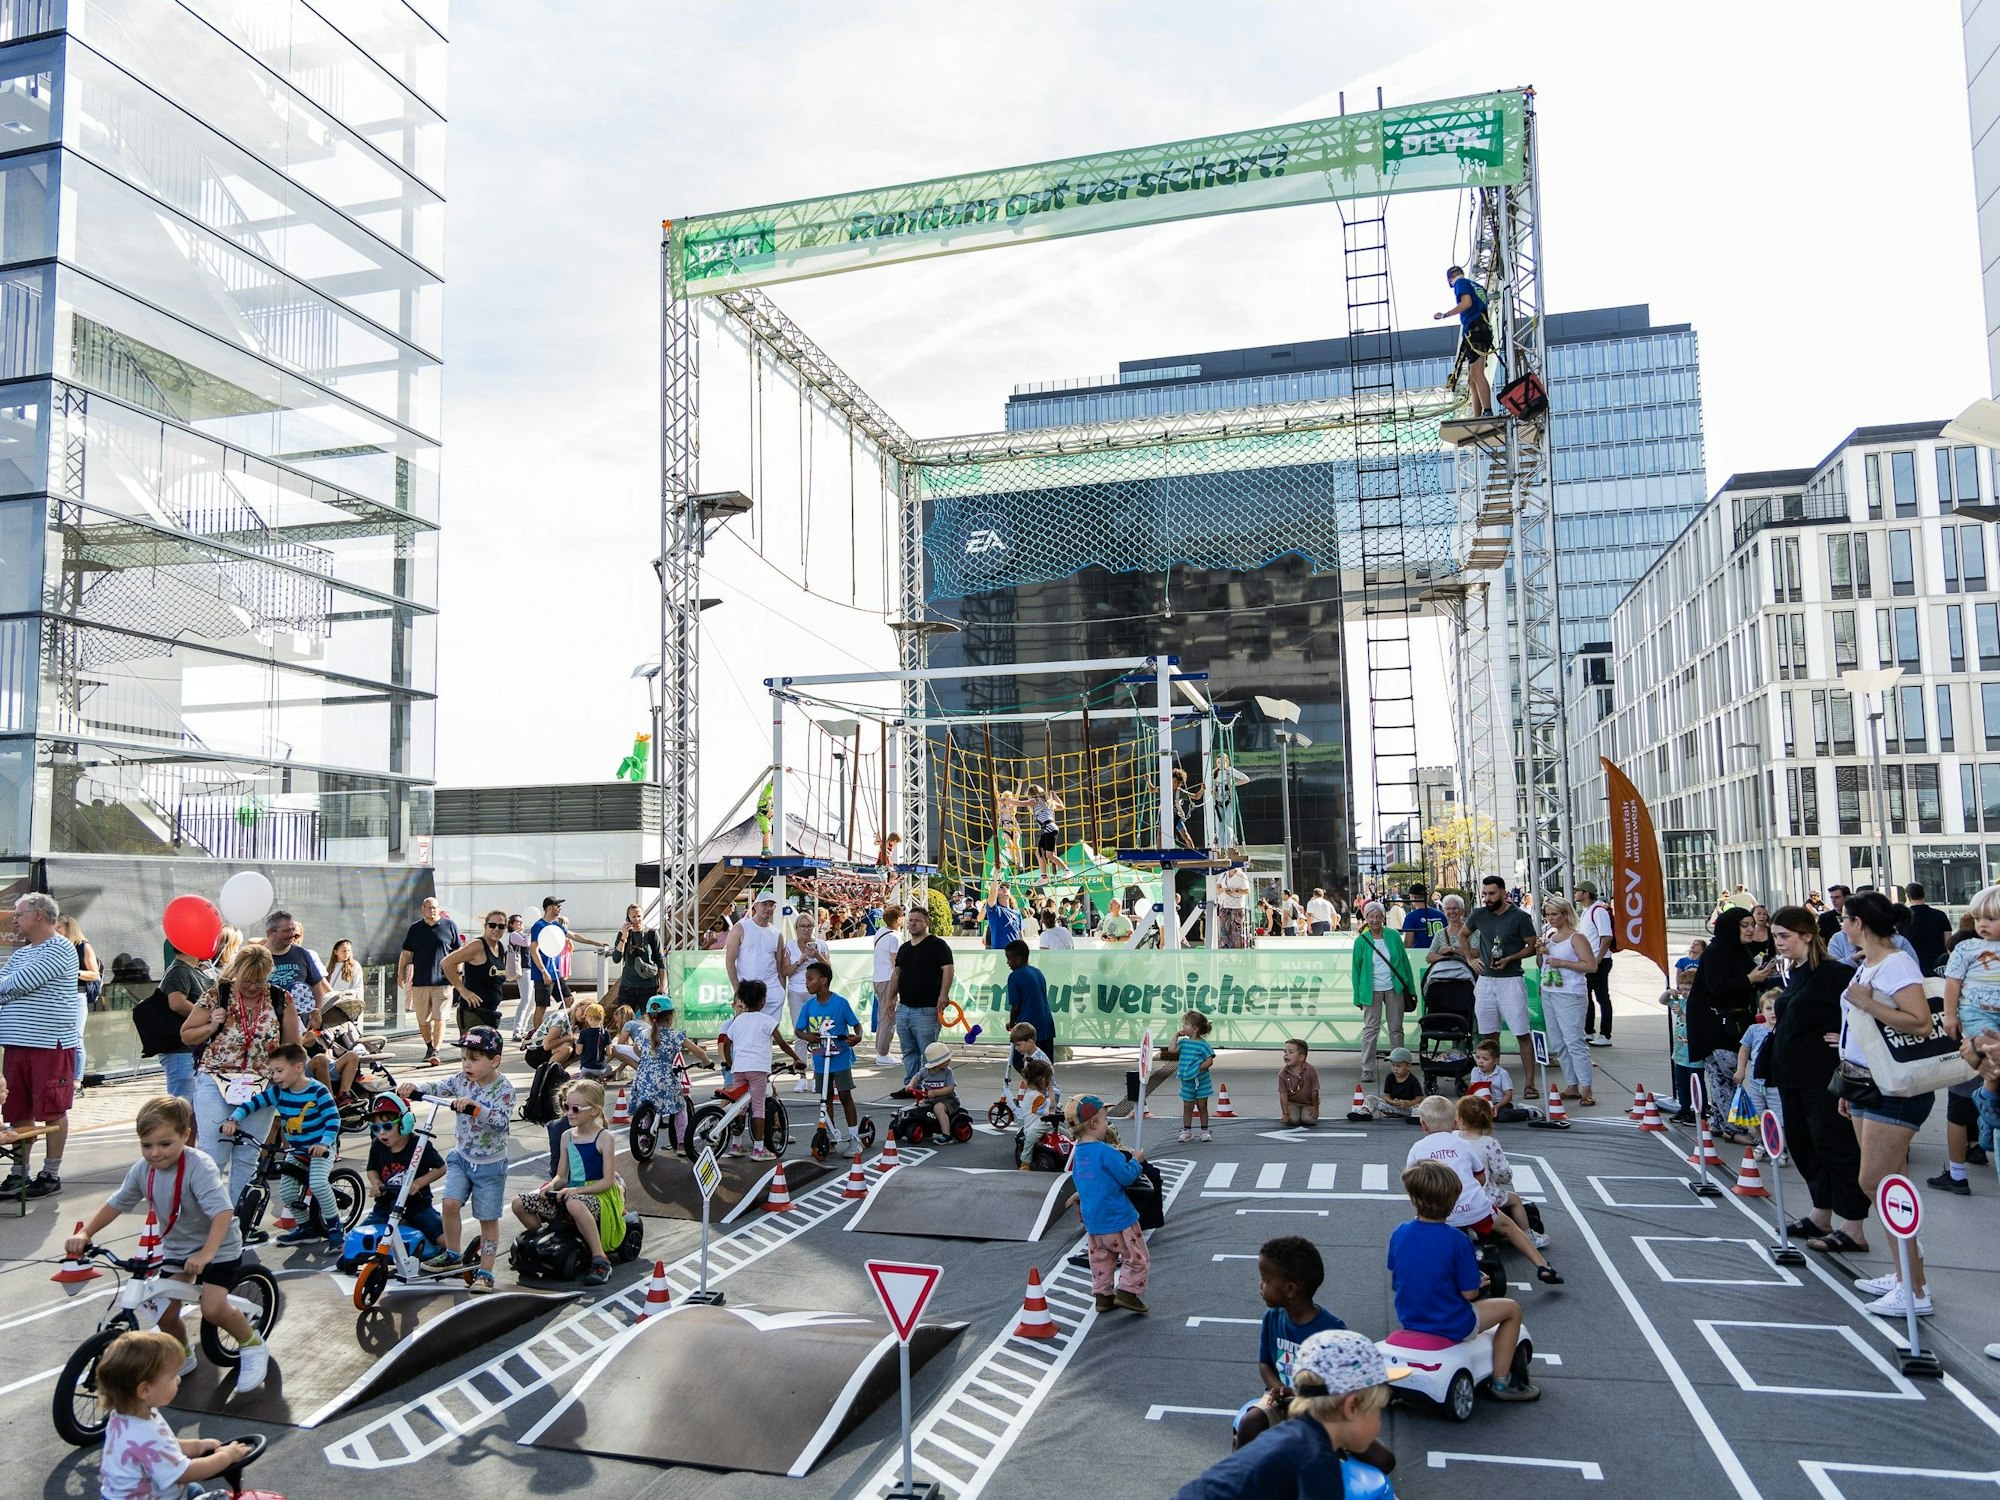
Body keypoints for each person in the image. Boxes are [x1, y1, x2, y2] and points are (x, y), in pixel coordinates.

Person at [68, 1094, 269, 1393]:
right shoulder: (142, 1170)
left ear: (185, 1135)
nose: (155, 1153)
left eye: (165, 1144)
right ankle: (182, 1354)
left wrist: (207, 1253)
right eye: (146, 1145)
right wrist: (86, 1233)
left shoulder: (197, 1166)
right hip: (177, 1248)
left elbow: (223, 1212)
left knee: (213, 1308)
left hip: (218, 1246)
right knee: (162, 1311)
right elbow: (117, 1203)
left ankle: (251, 1344)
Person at [1832, 891, 1942, 1315]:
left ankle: (1914, 1291)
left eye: (1844, 918)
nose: (1840, 924)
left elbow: (1919, 1022)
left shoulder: (1895, 963)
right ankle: (1907, 1278)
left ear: (1860, 923)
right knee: (1890, 1182)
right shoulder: (1871, 962)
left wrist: (1869, 1003)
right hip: (1864, 1082)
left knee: (1875, 1182)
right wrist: (1846, 1086)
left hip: (1894, 1087)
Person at [1179, 1329, 1404, 1499]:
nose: (1379, 1425)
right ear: (1351, 1407)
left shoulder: (1295, 1439)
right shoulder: (1315, 1464)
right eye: (1377, 1411)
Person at [1389, 1158, 1537, 1400]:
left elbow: (1398, 1276)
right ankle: (1502, 1382)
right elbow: (1469, 1294)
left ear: (1412, 1198)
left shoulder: (1399, 1233)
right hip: (1451, 1323)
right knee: (1511, 1310)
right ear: (1454, 1200)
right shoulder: (1458, 1241)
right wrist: (1475, 1281)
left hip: (1411, 1317)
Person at [179, 943, 301, 1213]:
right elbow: (186, 1034)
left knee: (247, 1155)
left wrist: (289, 1074)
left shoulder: (282, 999)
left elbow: (294, 1046)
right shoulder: (218, 994)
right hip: (216, 1078)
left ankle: (235, 1221)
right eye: (247, 980)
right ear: (237, 973)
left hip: (261, 1085)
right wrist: (212, 1023)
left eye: (259, 981)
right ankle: (206, 1216)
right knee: (215, 1152)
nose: (252, 987)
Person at [399, 1025, 515, 1294]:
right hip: (462, 1158)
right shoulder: (462, 1081)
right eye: (464, 1058)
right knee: (450, 1204)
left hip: (490, 1165)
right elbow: (439, 1087)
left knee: (487, 1218)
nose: (466, 1064)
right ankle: (452, 1253)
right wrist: (415, 1087)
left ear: (494, 1061)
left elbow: (500, 1123)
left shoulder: (504, 1089)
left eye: (473, 1059)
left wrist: (477, 1109)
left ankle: (485, 1271)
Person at [1405, 1095, 1560, 1281]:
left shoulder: (1417, 1148)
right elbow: (1480, 1176)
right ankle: (1542, 1265)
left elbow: (1412, 1181)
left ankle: (1430, 1270)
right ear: (1454, 1122)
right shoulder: (1463, 1144)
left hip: (1441, 1214)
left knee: (1421, 1236)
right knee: (1509, 1227)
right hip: (1475, 1207)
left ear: (1423, 1125)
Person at [94, 1328, 256, 1497]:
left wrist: (198, 1446)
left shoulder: (126, 1416)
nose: (178, 1379)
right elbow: (185, 1473)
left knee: (195, 1490)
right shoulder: (144, 1434)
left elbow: (165, 1445)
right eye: (172, 1376)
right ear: (145, 1390)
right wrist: (226, 1457)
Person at [1231, 1236, 1349, 1449]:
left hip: (1318, 1408)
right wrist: (1279, 1388)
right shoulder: (1272, 1317)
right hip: (1280, 1400)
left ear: (1291, 1290)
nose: (1261, 1284)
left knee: (1381, 1458)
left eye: (1266, 1280)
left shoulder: (1332, 1331)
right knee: (1250, 1424)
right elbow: (1265, 1364)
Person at [221, 1042, 343, 1248]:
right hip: (295, 1150)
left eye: (279, 1071)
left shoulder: (318, 1091)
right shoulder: (278, 1092)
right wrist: (233, 1119)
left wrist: (324, 1144)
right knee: (286, 1193)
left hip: (320, 1149)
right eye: (273, 1072)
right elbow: (253, 1103)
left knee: (319, 1184)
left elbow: (334, 1120)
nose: (275, 1077)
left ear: (297, 1068)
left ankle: (335, 1227)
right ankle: (307, 1229)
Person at [0, 891, 81, 1196]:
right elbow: (6, 983)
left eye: (19, 914)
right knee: (18, 1106)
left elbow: (19, 983)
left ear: (38, 915)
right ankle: (19, 1172)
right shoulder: (22, 953)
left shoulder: (60, 948)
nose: (15, 920)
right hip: (16, 1042)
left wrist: (7, 989)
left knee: (52, 1107)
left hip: (49, 1043)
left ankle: (51, 1173)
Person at [512, 1079, 625, 1285]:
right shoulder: (567, 1136)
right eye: (566, 1107)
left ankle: (600, 1259)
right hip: (572, 1191)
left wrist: (576, 1190)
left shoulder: (604, 1137)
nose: (569, 1113)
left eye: (575, 1108)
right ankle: (541, 1243)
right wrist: (551, 1187)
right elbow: (561, 1176)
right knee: (519, 1203)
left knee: (574, 1203)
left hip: (599, 1195)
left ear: (594, 1111)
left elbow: (608, 1182)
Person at [1070, 1095, 1148, 1313]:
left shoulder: (1080, 1154)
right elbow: (1126, 1177)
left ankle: (1103, 1297)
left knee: (1101, 1260)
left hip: (1094, 1222)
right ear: (1094, 1124)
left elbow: (1081, 1180)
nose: (1108, 1124)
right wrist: (1136, 1160)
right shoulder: (1106, 1152)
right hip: (1119, 1218)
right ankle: (1128, 1291)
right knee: (1136, 1256)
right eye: (1105, 1119)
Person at [1465, 875, 1542, 1098]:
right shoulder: (1479, 914)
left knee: (1521, 1032)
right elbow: (1463, 934)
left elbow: (1532, 946)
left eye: (1491, 894)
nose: (1487, 898)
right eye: (1484, 894)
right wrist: (1470, 957)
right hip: (1486, 981)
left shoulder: (1519, 916)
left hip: (1511, 980)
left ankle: (1529, 1084)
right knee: (1489, 1035)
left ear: (1503, 893)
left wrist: (1510, 958)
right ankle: (1490, 1083)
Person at [1688, 908, 1761, 1138]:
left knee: (1720, 1075)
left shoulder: (1738, 950)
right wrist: (1750, 979)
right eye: (1744, 925)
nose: (1751, 929)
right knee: (1730, 1072)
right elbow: (1717, 989)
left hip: (1732, 1021)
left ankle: (1721, 1123)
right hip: (1714, 1023)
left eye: (1752, 924)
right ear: (1731, 927)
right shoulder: (1717, 952)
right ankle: (1734, 1127)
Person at [614, 995, 710, 1152]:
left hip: (644, 1076)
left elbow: (636, 1050)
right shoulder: (674, 1035)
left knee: (647, 1104)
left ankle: (644, 1138)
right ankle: (681, 1143)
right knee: (680, 1105)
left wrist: (648, 1058)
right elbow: (698, 1051)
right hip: (664, 1076)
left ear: (650, 1016)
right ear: (671, 1016)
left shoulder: (643, 1034)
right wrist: (707, 1062)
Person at [718, 980, 802, 1159]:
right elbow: (782, 1044)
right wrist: (796, 1059)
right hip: (757, 1070)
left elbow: (726, 1044)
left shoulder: (738, 1021)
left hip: (739, 1069)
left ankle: (737, 1144)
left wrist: (731, 1063)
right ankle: (758, 1148)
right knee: (758, 1107)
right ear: (763, 1001)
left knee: (739, 1105)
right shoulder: (767, 1021)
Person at [794, 960, 865, 1158]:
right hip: (819, 1058)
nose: (806, 983)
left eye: (810, 979)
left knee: (844, 1096)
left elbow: (856, 1025)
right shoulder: (809, 1006)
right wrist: (808, 1036)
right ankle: (830, 1137)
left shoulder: (840, 1003)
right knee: (824, 1099)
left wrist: (857, 1036)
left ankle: (854, 1138)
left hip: (839, 1058)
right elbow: (798, 1030)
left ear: (823, 981)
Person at [1455, 1093, 1544, 1246]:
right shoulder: (1489, 1143)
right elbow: (1502, 1174)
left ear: (1460, 1119)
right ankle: (1528, 1236)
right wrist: (1503, 1177)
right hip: (1483, 1193)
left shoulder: (1453, 1137)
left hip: (1456, 1192)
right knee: (1515, 1199)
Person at [1537, 895, 1600, 1108]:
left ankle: (1586, 1088)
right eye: (1548, 914)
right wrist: (1541, 951)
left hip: (1571, 993)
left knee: (1574, 1041)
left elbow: (1591, 966)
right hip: (1549, 991)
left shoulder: (1577, 938)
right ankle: (1572, 1084)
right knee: (1558, 1041)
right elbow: (1542, 964)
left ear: (1565, 914)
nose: (1550, 918)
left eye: (1554, 914)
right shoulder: (1551, 937)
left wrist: (1562, 962)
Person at [883, 906, 954, 1094]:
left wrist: (943, 994)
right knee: (909, 1052)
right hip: (905, 1008)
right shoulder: (905, 948)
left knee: (929, 1052)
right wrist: (891, 998)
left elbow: (948, 969)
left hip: (927, 1009)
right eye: (910, 920)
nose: (913, 923)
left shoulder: (937, 945)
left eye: (917, 920)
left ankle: (933, 1087)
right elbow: (897, 973)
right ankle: (912, 1086)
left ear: (926, 923)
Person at [364, 1094, 446, 1251]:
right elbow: (372, 1169)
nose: (381, 1133)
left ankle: (444, 1254)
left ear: (404, 1124)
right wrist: (376, 1182)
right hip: (385, 1207)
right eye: (375, 1128)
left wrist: (418, 1183)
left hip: (417, 1207)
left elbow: (441, 1167)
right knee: (352, 1242)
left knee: (446, 1240)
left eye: (387, 1126)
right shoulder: (377, 1145)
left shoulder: (419, 1145)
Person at [1350, 902, 1416, 1084]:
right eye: (1371, 916)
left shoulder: (1393, 936)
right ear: (1366, 918)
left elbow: (1404, 962)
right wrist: (1357, 996)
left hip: (1394, 988)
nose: (1375, 920)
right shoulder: (1361, 941)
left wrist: (1411, 988)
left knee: (1396, 1029)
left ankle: (1399, 1066)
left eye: (1378, 916)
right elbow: (1356, 970)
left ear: (1383, 918)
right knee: (1370, 1030)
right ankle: (1368, 1069)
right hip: (1371, 991)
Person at [396, 896, 460, 1069]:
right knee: (423, 1020)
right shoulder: (415, 929)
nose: (432, 910)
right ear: (423, 909)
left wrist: (459, 972)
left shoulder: (449, 926)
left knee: (440, 1017)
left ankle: (436, 1051)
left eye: (435, 907)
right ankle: (429, 1046)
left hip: (444, 981)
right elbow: (406, 953)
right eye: (429, 907)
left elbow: (458, 951)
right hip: (421, 981)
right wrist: (400, 972)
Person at [154, 941, 214, 1112]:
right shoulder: (179, 970)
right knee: (182, 1107)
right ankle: (181, 1139)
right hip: (180, 1050)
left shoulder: (188, 970)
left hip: (190, 1050)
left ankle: (188, 1139)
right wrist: (206, 1016)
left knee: (193, 1106)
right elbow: (177, 1003)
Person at [1435, 264, 1494, 416]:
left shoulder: (1461, 283)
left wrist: (1445, 315)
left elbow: (1466, 303)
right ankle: (1478, 414)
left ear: (1450, 279)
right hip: (1482, 330)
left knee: (1476, 373)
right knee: (1471, 379)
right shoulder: (1478, 286)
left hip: (1475, 330)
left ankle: (1486, 411)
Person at [722, 891, 784, 1036]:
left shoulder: (777, 934)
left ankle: (765, 1060)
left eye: (771, 905)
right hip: (748, 992)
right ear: (756, 906)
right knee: (745, 1034)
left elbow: (779, 966)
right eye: (765, 904)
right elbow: (730, 960)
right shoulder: (740, 928)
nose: (768, 908)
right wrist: (737, 988)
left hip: (773, 990)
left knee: (769, 1034)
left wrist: (782, 990)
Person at [441, 910, 510, 1040]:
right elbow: (446, 963)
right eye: (492, 925)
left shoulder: (500, 947)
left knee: (486, 1057)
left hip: (491, 1012)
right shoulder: (477, 945)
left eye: (501, 926)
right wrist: (462, 990)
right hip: (473, 1013)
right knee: (474, 1056)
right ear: (485, 926)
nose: (496, 929)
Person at [780, 913, 830, 1085]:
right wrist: (800, 962)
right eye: (802, 926)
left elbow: (828, 969)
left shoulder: (821, 945)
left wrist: (817, 956)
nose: (806, 929)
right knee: (800, 1033)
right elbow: (785, 971)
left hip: (816, 994)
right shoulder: (790, 946)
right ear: (796, 929)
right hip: (796, 992)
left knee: (817, 1034)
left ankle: (818, 1075)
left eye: (809, 926)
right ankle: (802, 1075)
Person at [57, 914, 98, 1087]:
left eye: (58, 927)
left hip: (77, 996)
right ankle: (63, 1078)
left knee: (76, 1037)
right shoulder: (56, 946)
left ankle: (76, 1082)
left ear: (68, 927)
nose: (56, 930)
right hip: (59, 996)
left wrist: (74, 973)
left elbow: (94, 973)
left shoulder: (83, 946)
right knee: (59, 1037)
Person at [1573, 881, 1616, 1046]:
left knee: (1602, 997)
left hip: (1600, 961)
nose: (1575, 892)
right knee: (1587, 996)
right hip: (1590, 960)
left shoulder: (1598, 911)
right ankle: (1589, 1031)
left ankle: (1605, 1034)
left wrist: (1597, 959)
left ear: (1586, 893)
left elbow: (1607, 937)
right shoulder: (1587, 911)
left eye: (1577, 890)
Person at [1165, 1010, 1216, 1142]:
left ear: (1195, 1029)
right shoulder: (1184, 1043)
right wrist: (1176, 1036)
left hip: (1201, 1081)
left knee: (1202, 1106)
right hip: (1187, 1081)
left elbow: (1209, 1060)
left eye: (1186, 1024)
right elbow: (1171, 1050)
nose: (1183, 1027)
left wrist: (1197, 1069)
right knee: (1187, 1106)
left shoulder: (1203, 1045)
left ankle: (1204, 1130)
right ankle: (1187, 1130)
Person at [609, 903, 666, 1018]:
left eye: (639, 916)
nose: (637, 919)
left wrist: (663, 985)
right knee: (624, 1020)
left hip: (649, 986)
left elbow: (660, 961)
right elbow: (616, 958)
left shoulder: (652, 934)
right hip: (628, 985)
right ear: (628, 918)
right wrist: (623, 937)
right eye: (633, 917)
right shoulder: (623, 935)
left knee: (650, 1021)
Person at [1003, 940, 1055, 1059]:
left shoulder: (1015, 976)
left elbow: (1015, 1006)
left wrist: (1012, 1024)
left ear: (1019, 959)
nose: (1007, 962)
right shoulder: (1038, 972)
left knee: (1018, 1061)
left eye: (1009, 958)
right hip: (1046, 1024)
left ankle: (1031, 1079)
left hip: (1029, 1027)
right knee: (1044, 1064)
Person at [870, 903, 904, 1065]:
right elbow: (896, 963)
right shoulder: (894, 937)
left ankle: (881, 1050)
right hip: (888, 979)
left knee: (883, 1015)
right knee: (888, 1017)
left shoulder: (880, 933)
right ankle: (883, 1053)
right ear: (898, 919)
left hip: (878, 978)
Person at [912, 1040, 962, 1141]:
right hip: (930, 1099)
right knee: (917, 1108)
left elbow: (950, 1088)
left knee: (938, 1108)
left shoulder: (947, 1072)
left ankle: (946, 1135)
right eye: (947, 1059)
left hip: (948, 1100)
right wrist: (910, 1085)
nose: (949, 1060)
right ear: (938, 1063)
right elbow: (916, 1078)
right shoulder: (925, 1071)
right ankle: (925, 1128)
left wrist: (935, 1093)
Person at [1900, 881, 1951, 977]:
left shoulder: (1903, 918)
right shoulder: (1940, 915)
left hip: (1913, 964)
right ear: (1924, 895)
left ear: (1908, 897)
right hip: (1938, 964)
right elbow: (1948, 941)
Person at [1368, 1047, 1425, 1122]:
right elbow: (1386, 1096)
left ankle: (1415, 1117)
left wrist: (1408, 1103)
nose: (1395, 1069)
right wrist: (1392, 1102)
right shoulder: (1390, 1077)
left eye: (1398, 1066)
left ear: (1408, 1066)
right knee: (1370, 1098)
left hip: (1407, 1108)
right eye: (1392, 1065)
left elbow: (1419, 1098)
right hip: (1393, 1107)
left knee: (1422, 1105)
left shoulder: (1413, 1080)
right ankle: (1364, 1113)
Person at [1023, 783, 1063, 880]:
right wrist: (1054, 796)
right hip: (1048, 829)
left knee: (1050, 855)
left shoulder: (1035, 800)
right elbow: (1062, 806)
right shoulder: (1047, 802)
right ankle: (1043, 876)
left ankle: (1066, 870)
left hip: (1049, 828)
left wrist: (1009, 801)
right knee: (1039, 853)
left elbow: (1021, 803)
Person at [1279, 1039, 1320, 1127]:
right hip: (1292, 1102)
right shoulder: (1282, 1074)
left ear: (1301, 1057)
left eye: (1291, 1052)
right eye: (1285, 1051)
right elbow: (1283, 1094)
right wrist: (1285, 1113)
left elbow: (1314, 1090)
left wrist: (1315, 1106)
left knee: (1309, 1120)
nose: (1286, 1054)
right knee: (1292, 1120)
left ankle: (1303, 1115)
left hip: (1308, 1102)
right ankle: (1295, 1115)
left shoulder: (1310, 1070)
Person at [1467, 1041, 1517, 1114]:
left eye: (1485, 1059)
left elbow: (1508, 1095)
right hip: (1482, 1103)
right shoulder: (1475, 1071)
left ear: (1496, 1060)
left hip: (1500, 1103)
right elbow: (1475, 1088)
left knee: (1503, 1115)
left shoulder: (1502, 1073)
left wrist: (1497, 1106)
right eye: (1478, 1057)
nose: (1480, 1061)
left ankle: (1528, 1112)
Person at [1215, 860, 1254, 949]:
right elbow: (1217, 888)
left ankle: (1237, 953)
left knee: (1236, 932)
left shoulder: (1241, 875)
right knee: (1224, 931)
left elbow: (1247, 891)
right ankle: (1224, 952)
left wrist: (1235, 890)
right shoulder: (1223, 874)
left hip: (1237, 906)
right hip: (1224, 905)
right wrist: (1224, 890)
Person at [573, 1002, 613, 1081]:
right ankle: (598, 1078)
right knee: (609, 1069)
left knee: (580, 1084)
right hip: (601, 1069)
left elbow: (578, 1052)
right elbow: (609, 1053)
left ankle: (589, 1078)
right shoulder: (606, 1033)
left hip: (586, 1068)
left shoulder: (584, 1033)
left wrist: (576, 1044)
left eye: (586, 1017)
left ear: (590, 1018)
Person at [1400, 884, 1444, 952]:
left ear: (1413, 898)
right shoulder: (1440, 914)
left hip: (1420, 954)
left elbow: (1408, 943)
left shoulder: (1411, 917)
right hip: (1439, 953)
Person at [983, 884, 1023, 951]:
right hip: (999, 952)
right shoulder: (994, 910)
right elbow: (992, 894)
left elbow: (1021, 935)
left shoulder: (1017, 912)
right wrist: (995, 879)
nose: (1005, 889)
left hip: (1016, 952)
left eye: (1007, 887)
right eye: (1001, 887)